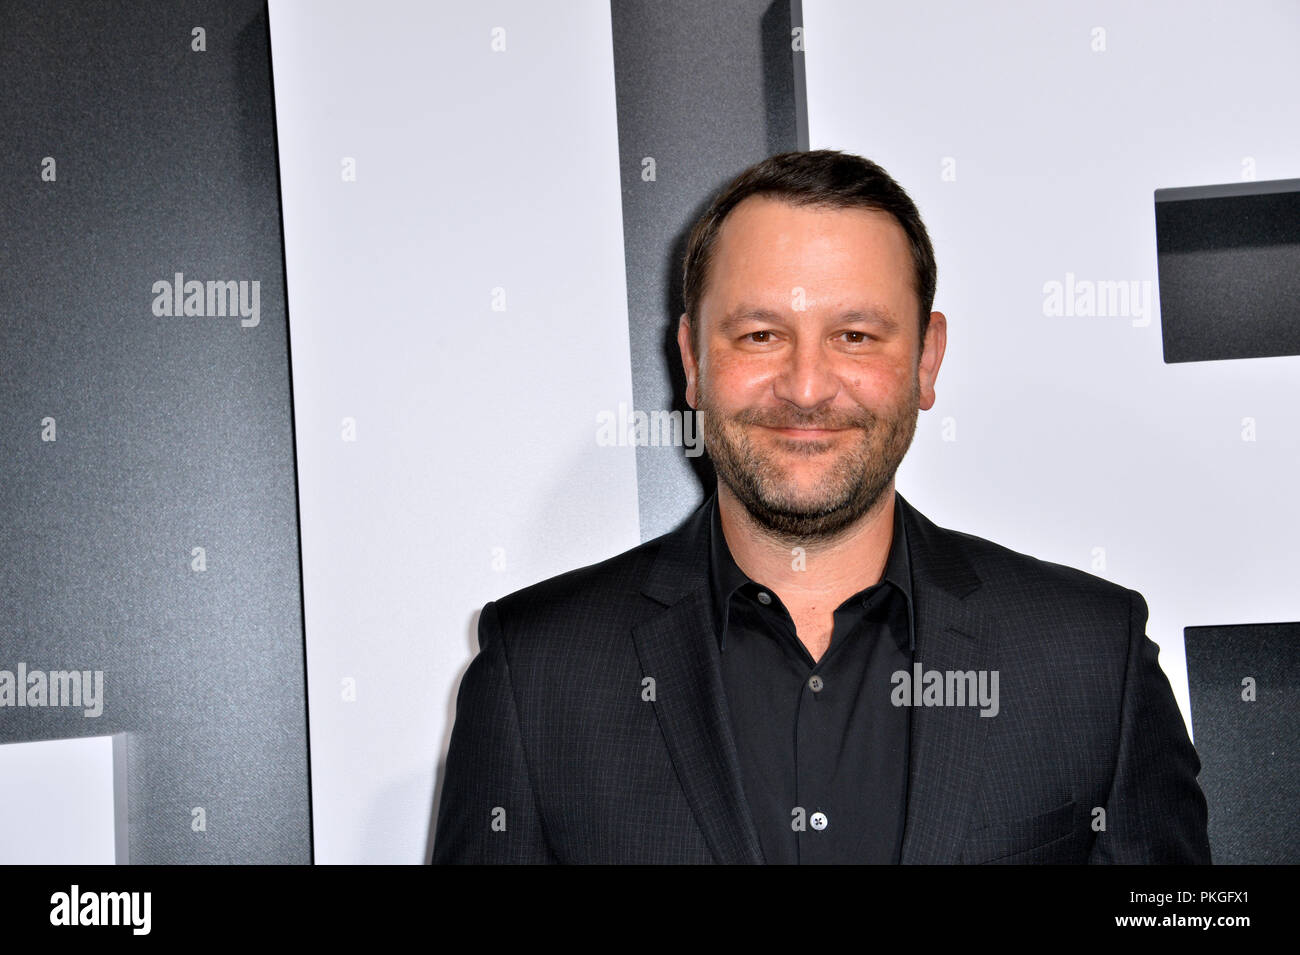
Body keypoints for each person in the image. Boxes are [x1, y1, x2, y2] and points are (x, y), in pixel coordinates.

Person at [431, 150, 1212, 864]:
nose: (806, 387)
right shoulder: (536, 677)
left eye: (856, 335)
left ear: (926, 359)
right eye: (762, 334)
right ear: (693, 362)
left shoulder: (1090, 660)